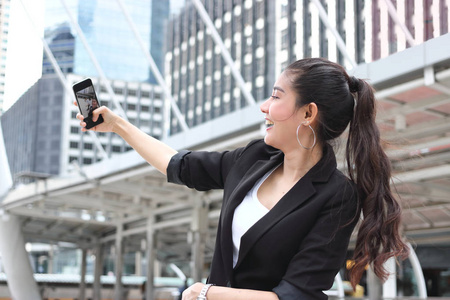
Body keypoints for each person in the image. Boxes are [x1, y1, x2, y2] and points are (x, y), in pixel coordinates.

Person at [76, 58, 409, 300]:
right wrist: (117, 125)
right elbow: (178, 165)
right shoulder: (253, 159)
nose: (264, 106)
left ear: (308, 113)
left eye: (277, 97)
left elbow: (295, 294)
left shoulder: (337, 196)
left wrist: (207, 293)